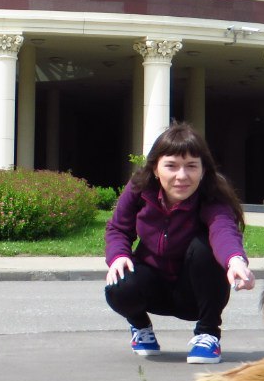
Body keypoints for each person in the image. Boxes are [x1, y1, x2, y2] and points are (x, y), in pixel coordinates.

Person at [103, 122, 255, 365]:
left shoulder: (211, 195)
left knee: (205, 247)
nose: (181, 176)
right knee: (118, 283)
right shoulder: (139, 189)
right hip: (152, 285)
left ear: (203, 170)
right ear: (155, 169)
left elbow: (223, 229)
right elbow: (118, 228)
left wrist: (235, 260)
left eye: (191, 166)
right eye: (171, 166)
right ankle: (140, 326)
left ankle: (207, 334)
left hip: (193, 294)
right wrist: (119, 256)